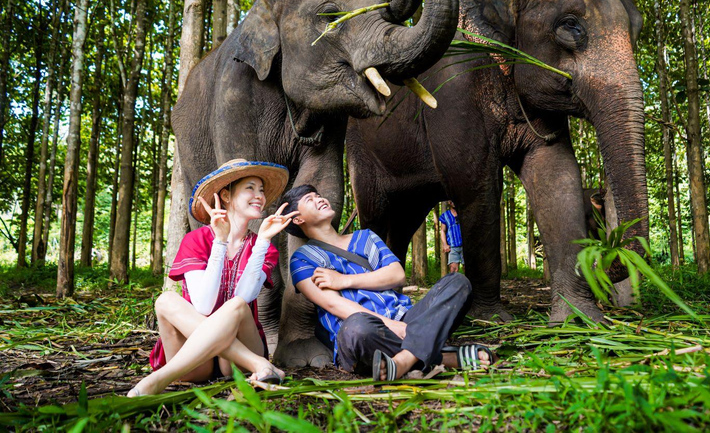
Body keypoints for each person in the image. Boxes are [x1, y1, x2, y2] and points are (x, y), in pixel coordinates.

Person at [281, 184, 495, 381]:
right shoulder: (303, 259)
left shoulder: (365, 237)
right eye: (309, 199)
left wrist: (344, 280)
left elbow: (396, 275)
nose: (320, 199)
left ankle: (404, 361)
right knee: (357, 327)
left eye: (318, 195)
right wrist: (393, 327)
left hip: (405, 318)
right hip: (364, 332)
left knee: (457, 282)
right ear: (298, 219)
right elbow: (334, 305)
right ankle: (442, 357)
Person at [128, 159, 298, 397]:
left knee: (237, 304)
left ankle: (158, 379)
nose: (259, 195)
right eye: (250, 187)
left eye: (261, 190)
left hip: (235, 367)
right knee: (165, 300)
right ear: (226, 196)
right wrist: (220, 241)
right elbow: (204, 305)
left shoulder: (263, 247)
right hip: (196, 362)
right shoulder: (196, 239)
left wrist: (263, 241)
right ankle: (259, 364)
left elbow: (244, 297)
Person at [439, 201, 463, 273]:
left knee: (468, 268)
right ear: (449, 202)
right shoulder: (445, 215)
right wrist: (445, 244)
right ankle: (455, 284)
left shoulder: (464, 213)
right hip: (453, 247)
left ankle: (467, 284)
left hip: (465, 246)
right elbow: (442, 231)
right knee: (453, 269)